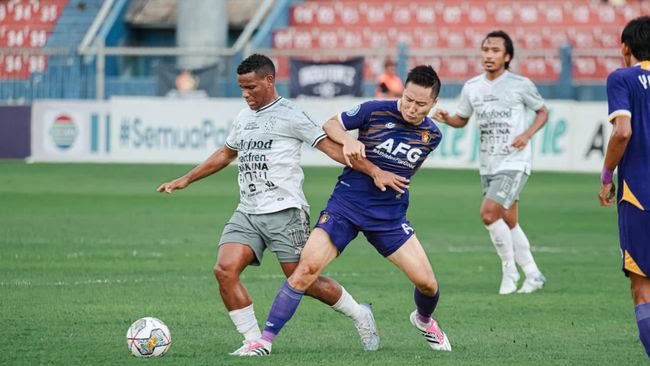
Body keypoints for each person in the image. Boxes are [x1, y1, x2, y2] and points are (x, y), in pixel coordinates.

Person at [157, 54, 408, 356]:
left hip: (285, 211)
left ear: (269, 81)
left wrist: (375, 171)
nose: (246, 94)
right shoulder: (243, 118)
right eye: (241, 88)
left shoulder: (291, 114)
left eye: (251, 87)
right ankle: (253, 342)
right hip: (248, 210)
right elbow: (226, 154)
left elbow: (332, 150)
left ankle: (359, 313)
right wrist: (187, 179)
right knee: (224, 270)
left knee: (303, 280)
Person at [240, 65, 452, 356]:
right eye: (408, 99)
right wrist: (350, 139)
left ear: (434, 104)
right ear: (402, 92)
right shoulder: (374, 110)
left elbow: (405, 172)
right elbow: (330, 125)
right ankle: (264, 341)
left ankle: (424, 320)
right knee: (306, 270)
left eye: (420, 104)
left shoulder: (432, 136)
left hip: (389, 217)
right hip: (346, 206)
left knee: (428, 284)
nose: (412, 108)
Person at [432, 30, 548, 295]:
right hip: (488, 164)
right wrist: (447, 118)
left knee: (488, 213)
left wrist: (526, 134)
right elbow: (462, 119)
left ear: (507, 57)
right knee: (508, 221)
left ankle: (510, 271)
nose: (489, 55)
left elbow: (542, 111)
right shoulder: (472, 87)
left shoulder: (520, 84)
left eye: (495, 50)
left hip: (514, 162)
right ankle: (533, 273)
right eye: (485, 49)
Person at [598, 16, 650, 358]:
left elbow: (622, 132)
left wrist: (606, 176)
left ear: (625, 48)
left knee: (642, 287)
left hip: (640, 194)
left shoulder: (623, 78)